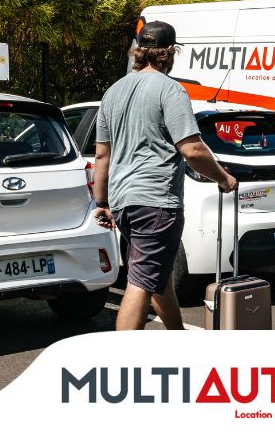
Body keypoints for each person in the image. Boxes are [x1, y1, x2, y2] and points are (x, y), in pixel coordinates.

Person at [92, 21, 238, 330]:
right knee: (141, 283)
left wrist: (100, 203)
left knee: (157, 277)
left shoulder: (113, 91)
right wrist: (224, 179)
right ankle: (122, 365)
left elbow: (102, 155)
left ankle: (178, 337)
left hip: (123, 204)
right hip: (156, 203)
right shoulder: (171, 90)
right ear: (168, 53)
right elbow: (193, 150)